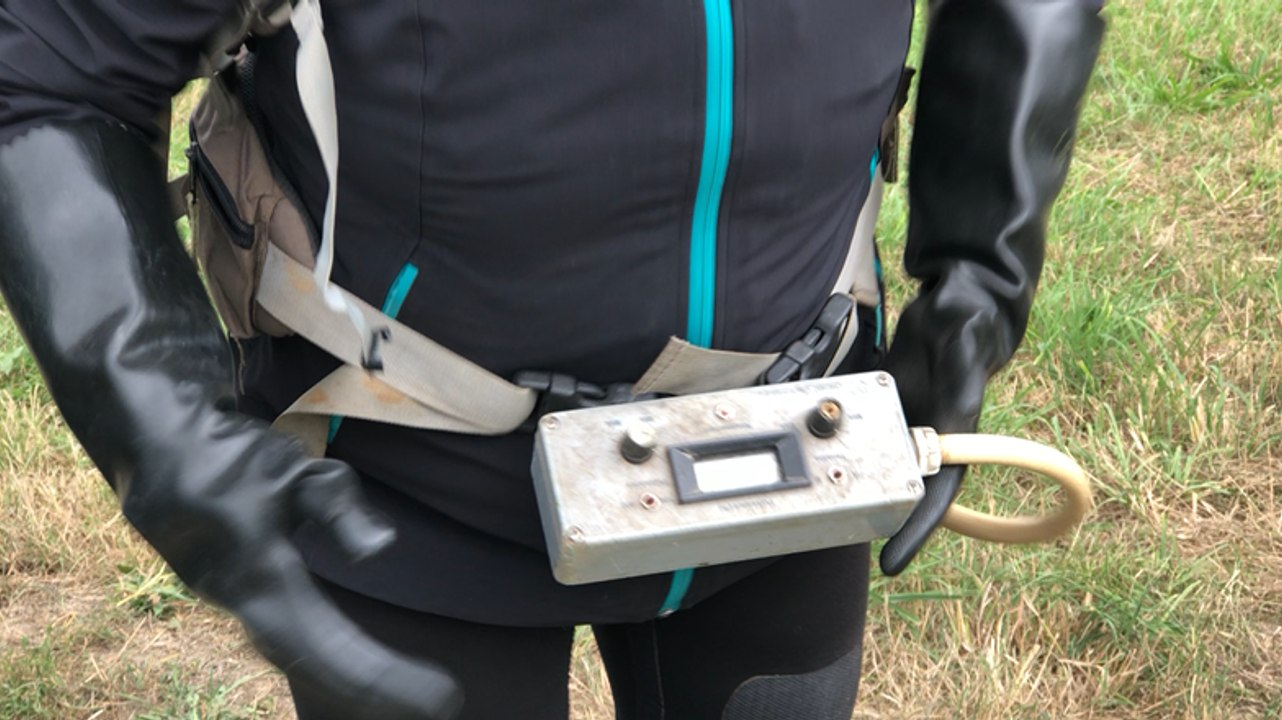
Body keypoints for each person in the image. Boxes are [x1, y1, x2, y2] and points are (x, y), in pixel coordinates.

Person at [0, 0, 1103, 718]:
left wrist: (979, 275)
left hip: (785, 453)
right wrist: (171, 439)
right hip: (403, 477)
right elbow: (54, 71)